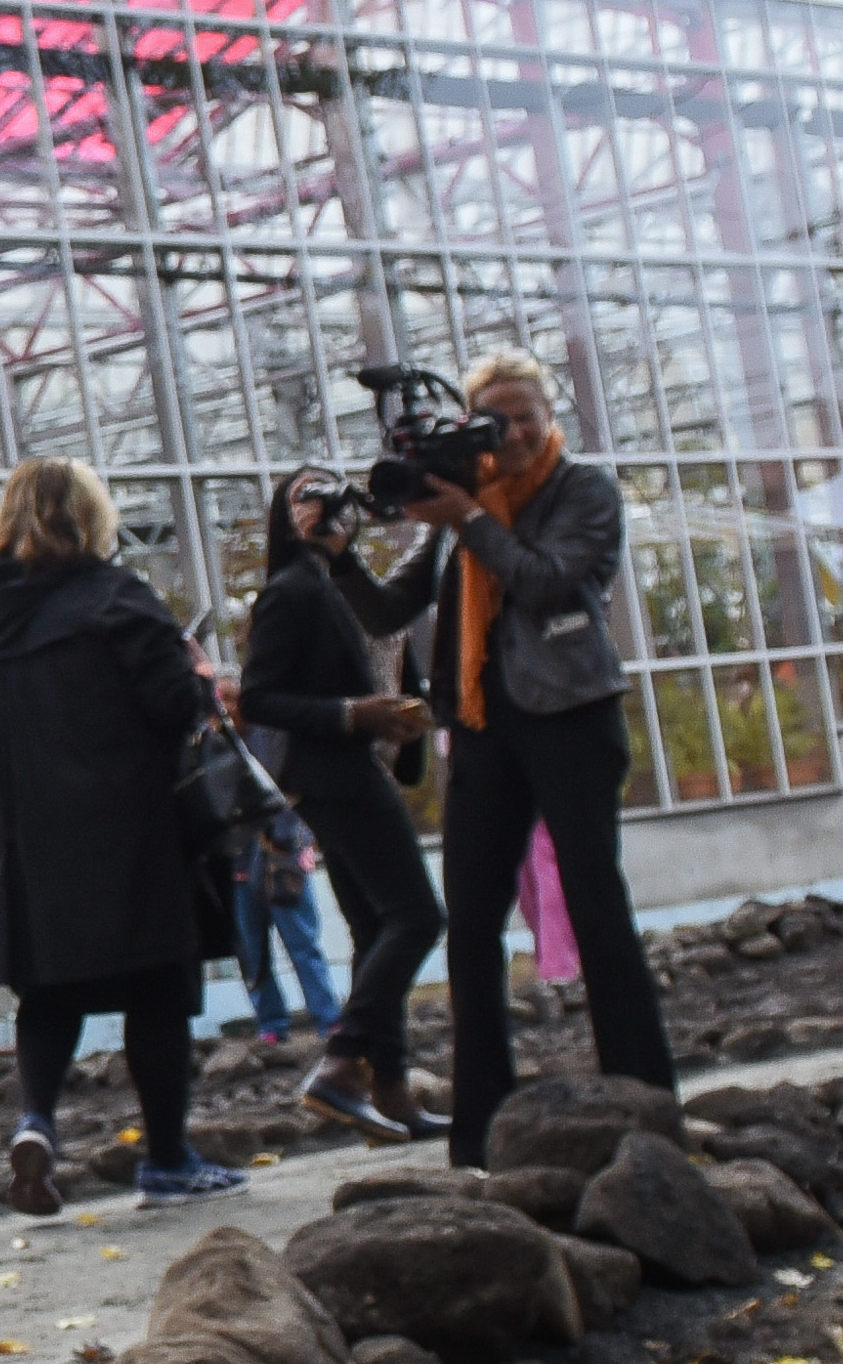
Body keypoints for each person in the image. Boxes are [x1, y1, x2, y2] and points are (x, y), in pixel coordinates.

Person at [383, 348, 674, 1161]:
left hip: (571, 719)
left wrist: (467, 522)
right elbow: (391, 603)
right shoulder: (460, 502)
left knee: (593, 902)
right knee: (471, 922)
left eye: (523, 416)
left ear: (550, 419)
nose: (508, 432)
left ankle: (645, 1095)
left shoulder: (582, 488)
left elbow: (549, 579)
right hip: (481, 726)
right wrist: (329, 544)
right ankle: (478, 1126)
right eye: (492, 419)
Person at [0, 459, 244, 1214]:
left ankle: (35, 1121)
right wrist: (201, 677)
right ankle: (167, 1161)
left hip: (18, 850)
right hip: (125, 834)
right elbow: (175, 709)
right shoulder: (116, 600)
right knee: (159, 994)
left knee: (46, 997)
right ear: (91, 516)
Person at [230, 473, 441, 1143]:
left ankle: (390, 1090)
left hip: (343, 768)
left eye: (334, 498)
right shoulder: (289, 592)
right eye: (304, 497)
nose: (323, 509)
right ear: (280, 517)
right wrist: (353, 716)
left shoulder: (333, 586)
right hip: (334, 770)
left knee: (375, 925)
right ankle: (343, 1061)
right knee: (416, 915)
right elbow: (258, 698)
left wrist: (391, 714)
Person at [229, 809, 343, 1049]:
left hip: (285, 860)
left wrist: (295, 841)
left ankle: (329, 1020)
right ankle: (271, 1025)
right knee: (252, 955)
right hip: (239, 865)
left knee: (303, 945)